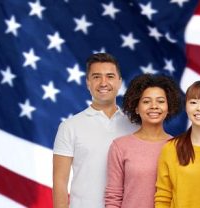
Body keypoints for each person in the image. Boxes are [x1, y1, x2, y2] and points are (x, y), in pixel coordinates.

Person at [52, 53, 138, 208]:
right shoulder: (69, 127)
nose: (103, 83)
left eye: (110, 76)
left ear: (119, 82)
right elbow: (59, 181)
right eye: (97, 77)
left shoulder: (135, 125)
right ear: (88, 83)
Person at [104, 74, 181, 208]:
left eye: (160, 101)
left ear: (169, 107)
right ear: (136, 108)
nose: (154, 106)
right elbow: (113, 197)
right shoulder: (120, 147)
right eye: (146, 101)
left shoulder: (180, 147)